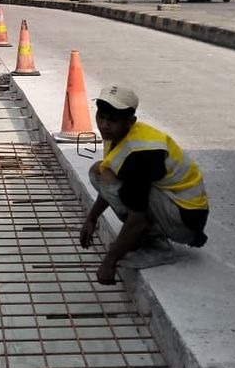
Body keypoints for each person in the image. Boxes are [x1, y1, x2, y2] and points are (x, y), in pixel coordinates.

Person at [78, 84, 209, 285]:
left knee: (127, 195)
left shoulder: (141, 154)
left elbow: (137, 217)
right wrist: (92, 218)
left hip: (184, 220)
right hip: (170, 204)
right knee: (101, 171)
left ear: (131, 121)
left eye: (112, 120)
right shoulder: (116, 134)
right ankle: (145, 237)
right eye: (101, 117)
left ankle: (157, 246)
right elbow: (110, 181)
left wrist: (110, 261)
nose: (104, 125)